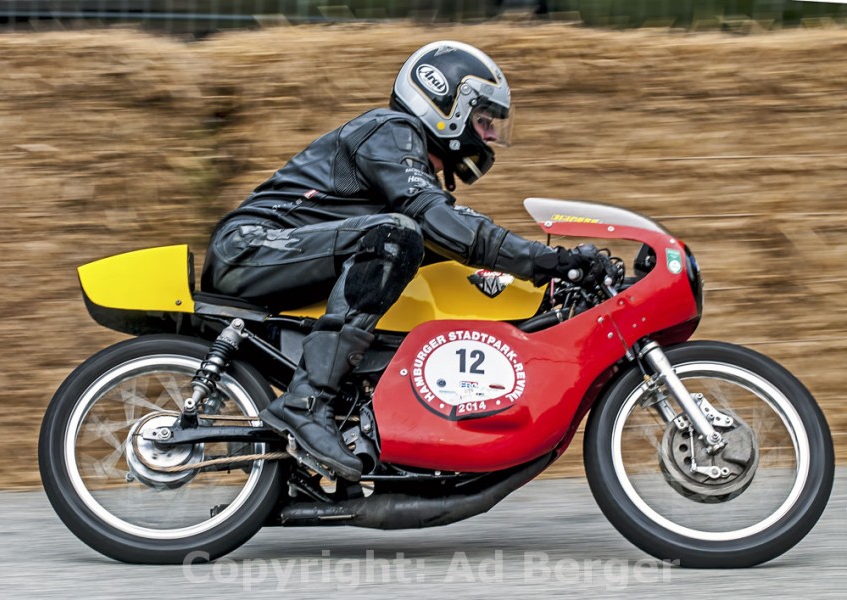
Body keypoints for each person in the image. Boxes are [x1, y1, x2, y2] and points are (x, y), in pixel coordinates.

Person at [201, 40, 606, 481]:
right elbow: (441, 224)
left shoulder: (410, 172)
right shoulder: (389, 129)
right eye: (483, 120)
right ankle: (306, 402)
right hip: (250, 247)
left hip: (283, 256)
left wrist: (552, 282)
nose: (488, 136)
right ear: (445, 103)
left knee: (415, 245)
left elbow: (459, 233)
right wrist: (550, 260)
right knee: (398, 234)